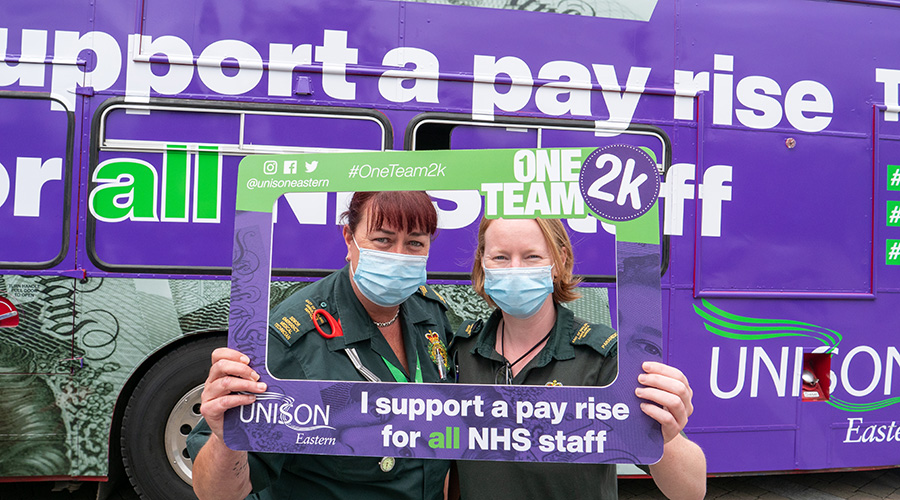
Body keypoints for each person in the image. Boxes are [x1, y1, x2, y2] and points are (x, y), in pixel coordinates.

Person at [188, 191, 453, 500]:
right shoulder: (289, 342)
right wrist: (225, 436)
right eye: (382, 240)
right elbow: (217, 493)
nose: (399, 255)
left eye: (415, 243)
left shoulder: (430, 312)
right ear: (348, 239)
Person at [451, 217, 706, 500]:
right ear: (482, 263)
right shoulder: (462, 350)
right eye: (500, 257)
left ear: (559, 261)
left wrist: (667, 435)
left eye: (532, 256)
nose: (515, 270)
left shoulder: (605, 359)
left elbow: (691, 492)